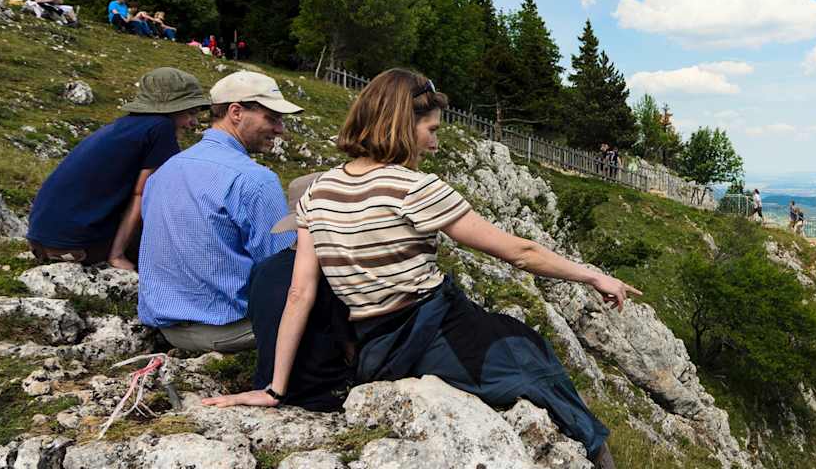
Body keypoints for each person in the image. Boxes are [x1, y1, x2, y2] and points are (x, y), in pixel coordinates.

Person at [201, 69, 635, 469]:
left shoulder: (319, 191)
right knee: (532, 356)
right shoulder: (414, 188)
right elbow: (519, 252)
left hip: (374, 346)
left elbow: (300, 294)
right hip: (427, 329)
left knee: (517, 339)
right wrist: (593, 275)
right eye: (431, 130)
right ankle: (595, 449)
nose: (435, 142)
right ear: (401, 125)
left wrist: (274, 388)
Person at [137, 70, 304, 352]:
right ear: (236, 112)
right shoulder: (254, 179)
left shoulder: (166, 170)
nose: (280, 129)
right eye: (271, 118)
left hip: (168, 329)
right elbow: (282, 272)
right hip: (230, 329)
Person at [26, 68, 211, 267]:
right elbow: (143, 194)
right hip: (77, 247)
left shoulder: (126, 126)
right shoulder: (161, 129)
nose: (194, 123)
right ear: (171, 109)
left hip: (42, 242)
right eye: (190, 113)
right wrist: (117, 255)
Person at [244, 172, 356, 412]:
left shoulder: (263, 268)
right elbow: (350, 346)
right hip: (321, 394)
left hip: (267, 383)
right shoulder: (330, 273)